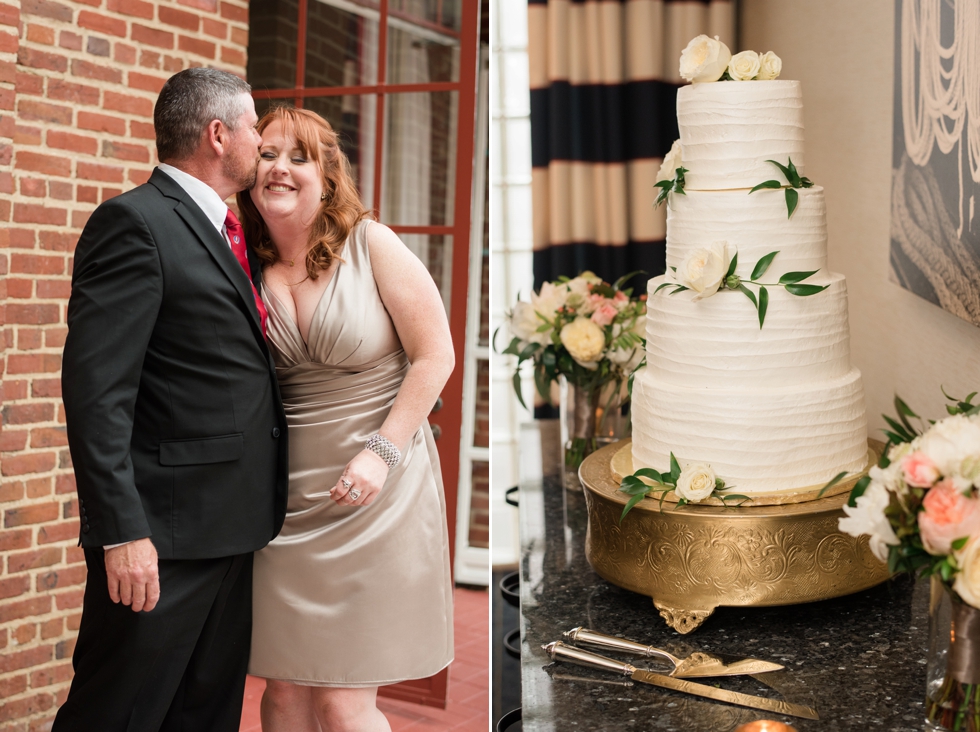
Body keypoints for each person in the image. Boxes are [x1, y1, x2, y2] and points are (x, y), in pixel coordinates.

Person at [54, 68, 288, 732]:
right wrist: (123, 530)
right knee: (118, 714)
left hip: (233, 529)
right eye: (252, 129)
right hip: (161, 539)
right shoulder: (134, 223)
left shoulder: (230, 229)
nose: (260, 143)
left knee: (204, 716)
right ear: (218, 135)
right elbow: (98, 394)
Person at [239, 106, 455, 732]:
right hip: (284, 501)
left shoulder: (370, 243)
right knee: (282, 691)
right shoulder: (244, 266)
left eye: (298, 157)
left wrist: (382, 452)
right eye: (269, 154)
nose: (280, 168)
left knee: (342, 701)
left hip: (376, 490)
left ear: (328, 177)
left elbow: (434, 353)